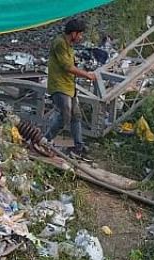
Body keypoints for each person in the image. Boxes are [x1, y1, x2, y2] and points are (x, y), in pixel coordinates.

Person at [45, 18, 97, 159]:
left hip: (69, 86)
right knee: (65, 115)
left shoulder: (69, 46)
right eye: (80, 34)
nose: (81, 37)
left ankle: (79, 146)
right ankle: (46, 139)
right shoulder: (60, 43)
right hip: (59, 85)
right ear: (73, 33)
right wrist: (87, 75)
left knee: (76, 116)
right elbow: (67, 67)